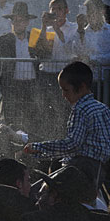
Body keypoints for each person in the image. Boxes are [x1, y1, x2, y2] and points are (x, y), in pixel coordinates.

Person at [24, 61, 110, 189]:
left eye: (66, 90)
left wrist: (38, 147)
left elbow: (72, 144)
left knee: (41, 193)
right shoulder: (103, 108)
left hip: (81, 167)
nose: (63, 95)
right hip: (99, 169)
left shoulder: (81, 109)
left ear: (81, 87)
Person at [0, 1, 44, 132]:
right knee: (11, 118)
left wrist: (46, 26)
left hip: (31, 84)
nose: (17, 23)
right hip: (11, 85)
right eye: (15, 20)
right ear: (11, 22)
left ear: (27, 22)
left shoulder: (34, 36)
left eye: (21, 20)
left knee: (31, 117)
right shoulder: (4, 39)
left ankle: (30, 143)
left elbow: (46, 53)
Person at [35, 0, 79, 135]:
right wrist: (43, 26)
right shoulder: (42, 29)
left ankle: (64, 135)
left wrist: (56, 29)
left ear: (66, 11)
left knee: (64, 108)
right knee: (45, 109)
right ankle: (47, 135)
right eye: (53, 9)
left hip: (64, 75)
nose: (56, 12)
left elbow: (70, 49)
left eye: (59, 8)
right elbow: (39, 51)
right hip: (46, 74)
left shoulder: (74, 28)